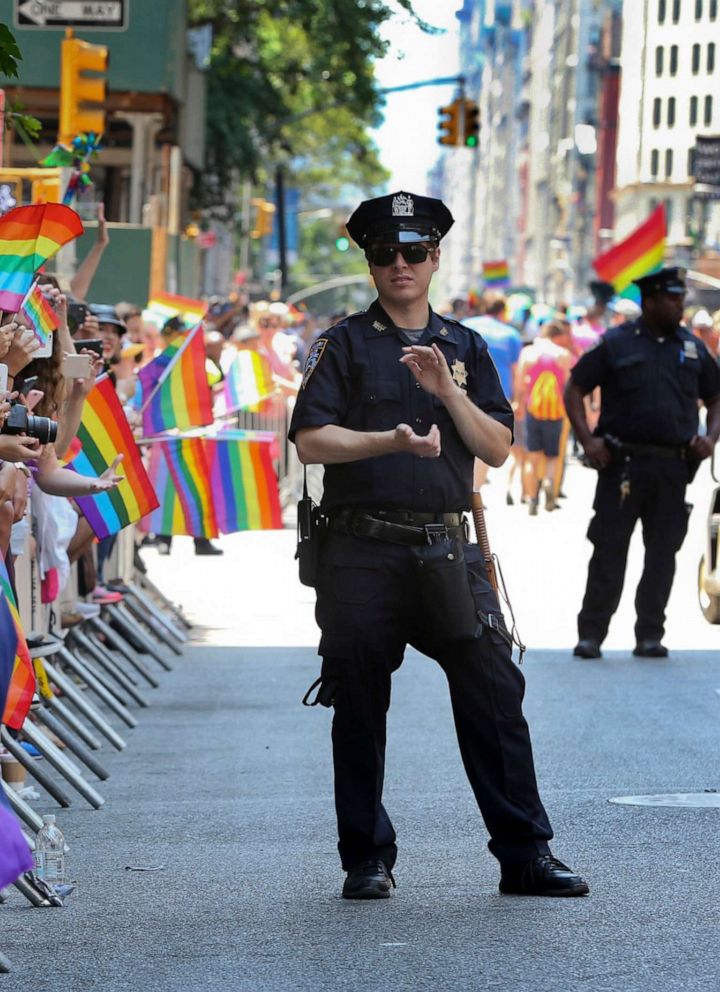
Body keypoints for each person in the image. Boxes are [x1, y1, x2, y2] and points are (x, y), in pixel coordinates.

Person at [289, 190, 587, 901]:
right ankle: (366, 857)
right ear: (370, 263)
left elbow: (499, 447)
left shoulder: (466, 347)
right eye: (386, 253)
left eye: (414, 252)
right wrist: (388, 439)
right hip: (362, 549)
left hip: (447, 549)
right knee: (359, 702)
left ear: (435, 259)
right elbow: (310, 438)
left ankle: (525, 854)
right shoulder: (343, 344)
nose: (400, 264)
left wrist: (448, 395)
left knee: (494, 691)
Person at [565, 267, 720, 659]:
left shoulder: (692, 347)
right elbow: (575, 386)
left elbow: (717, 397)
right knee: (608, 551)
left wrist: (710, 437)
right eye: (672, 299)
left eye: (681, 299)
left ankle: (650, 633)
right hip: (622, 466)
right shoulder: (616, 343)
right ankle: (591, 634)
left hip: (673, 469)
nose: (679, 306)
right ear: (649, 301)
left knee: (662, 555)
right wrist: (587, 440)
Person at [464, 294, 522, 493]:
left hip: (463, 393)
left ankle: (464, 484)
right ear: (502, 310)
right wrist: (517, 400)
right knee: (486, 441)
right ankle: (475, 489)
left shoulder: (465, 326)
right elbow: (517, 370)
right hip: (499, 395)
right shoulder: (511, 334)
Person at [515, 318, 574, 514]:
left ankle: (532, 499)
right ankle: (549, 482)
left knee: (533, 457)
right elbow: (568, 386)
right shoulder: (563, 355)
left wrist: (519, 405)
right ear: (557, 336)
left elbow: (520, 385)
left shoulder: (528, 353)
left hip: (533, 410)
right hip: (555, 412)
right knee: (552, 456)